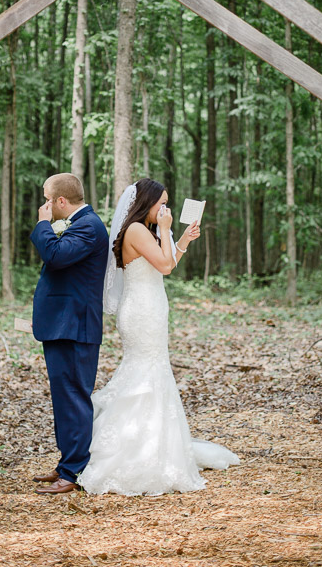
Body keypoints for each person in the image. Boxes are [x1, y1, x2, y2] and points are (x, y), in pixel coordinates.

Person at [78, 178, 239, 496]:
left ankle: (152, 443)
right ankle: (133, 450)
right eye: (161, 203)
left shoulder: (145, 231)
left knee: (152, 371)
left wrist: (182, 239)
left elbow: (166, 264)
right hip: (141, 312)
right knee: (146, 371)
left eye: (167, 203)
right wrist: (166, 230)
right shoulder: (137, 230)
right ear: (146, 203)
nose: (165, 208)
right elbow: (165, 267)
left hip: (150, 307)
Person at [30, 173, 109, 494]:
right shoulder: (81, 224)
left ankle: (73, 472)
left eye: (48, 199)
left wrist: (42, 225)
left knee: (74, 398)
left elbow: (56, 256)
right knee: (64, 398)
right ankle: (66, 463)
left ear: (61, 201)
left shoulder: (89, 226)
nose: (45, 205)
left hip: (76, 326)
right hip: (62, 325)